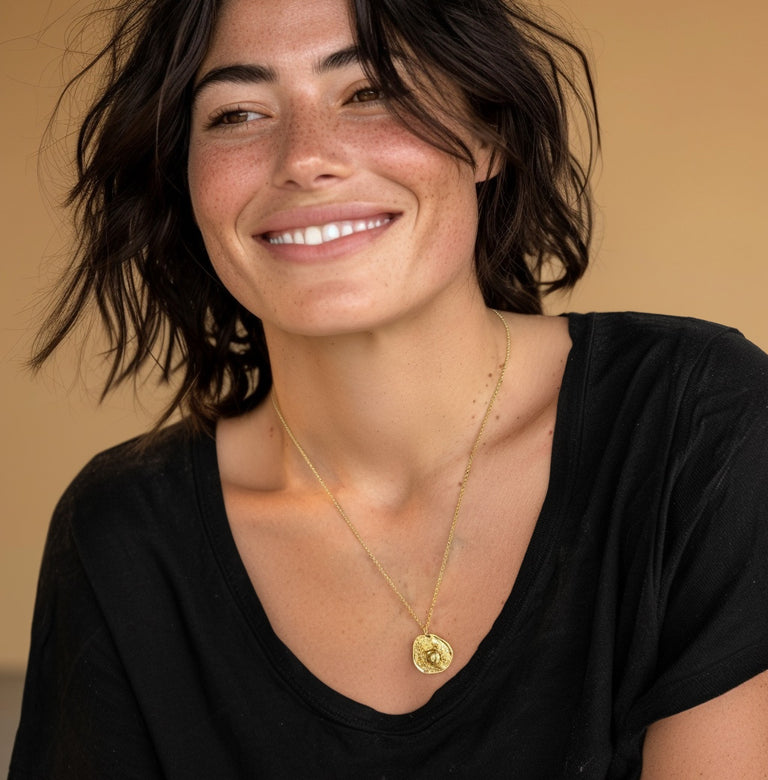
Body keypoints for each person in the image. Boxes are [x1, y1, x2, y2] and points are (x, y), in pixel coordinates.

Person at [10, 0, 768, 776]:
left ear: (486, 134)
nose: (305, 158)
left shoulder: (696, 421)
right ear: (186, 181)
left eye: (370, 92)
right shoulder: (123, 534)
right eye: (236, 113)